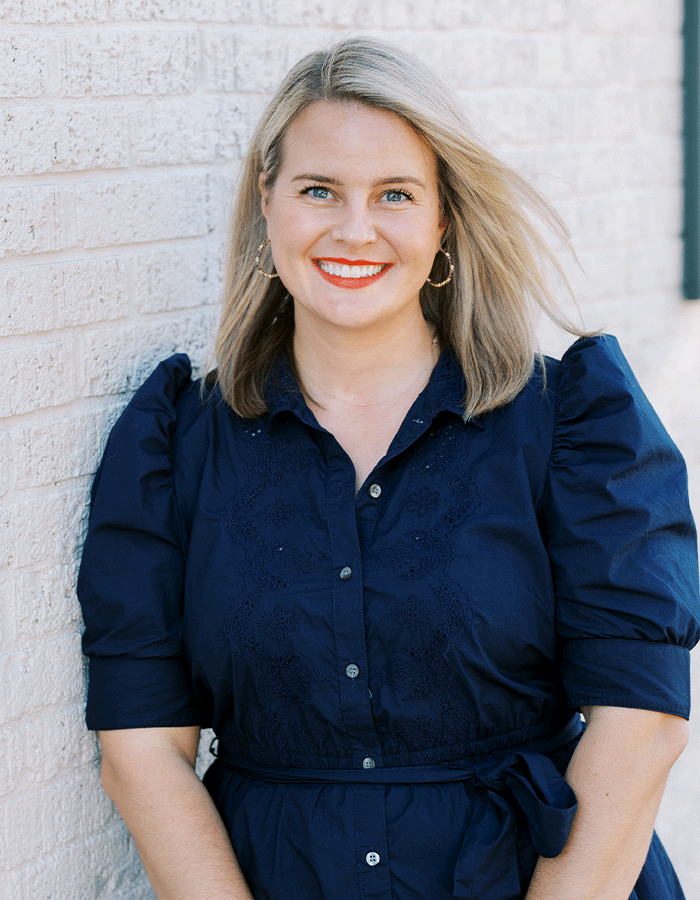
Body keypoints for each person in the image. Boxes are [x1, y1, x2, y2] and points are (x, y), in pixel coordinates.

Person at [77, 37, 700, 900]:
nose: (354, 229)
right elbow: (142, 750)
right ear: (268, 203)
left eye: (395, 194)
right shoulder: (176, 445)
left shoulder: (571, 425)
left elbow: (643, 726)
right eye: (319, 189)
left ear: (443, 217)